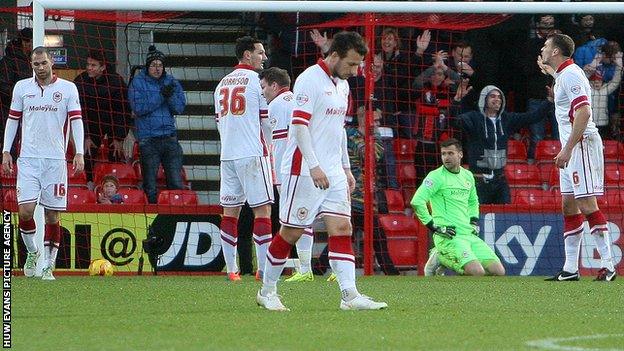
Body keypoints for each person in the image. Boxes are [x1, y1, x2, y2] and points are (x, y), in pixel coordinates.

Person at [257, 31, 387, 311]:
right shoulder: (308, 80)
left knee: (342, 228)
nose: (355, 71)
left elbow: (338, 128)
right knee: (290, 232)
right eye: (351, 64)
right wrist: (314, 165)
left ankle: (349, 296)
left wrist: (346, 167)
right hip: (303, 169)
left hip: (334, 172)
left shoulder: (343, 86)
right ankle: (267, 292)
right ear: (335, 55)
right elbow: (300, 126)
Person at [1, 46, 85, 280]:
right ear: (31, 65)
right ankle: (32, 252)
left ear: (51, 63)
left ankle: (49, 264)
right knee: (25, 211)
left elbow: (76, 121)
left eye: (43, 63)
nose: (40, 68)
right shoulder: (22, 87)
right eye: (36, 64)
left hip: (55, 161)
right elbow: (12, 120)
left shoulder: (68, 89)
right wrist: (6, 150)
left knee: (52, 216)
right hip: (27, 160)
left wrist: (79, 152)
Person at [538, 33, 616, 281]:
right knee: (568, 205)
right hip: (573, 146)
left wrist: (568, 148)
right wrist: (549, 71)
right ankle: (571, 269)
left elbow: (583, 112)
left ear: (555, 52)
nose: (542, 48)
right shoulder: (564, 74)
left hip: (581, 144)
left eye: (546, 46)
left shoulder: (571, 75)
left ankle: (608, 266)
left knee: (586, 204)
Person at [214, 36, 273, 282]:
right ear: (247, 55)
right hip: (252, 154)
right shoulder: (257, 83)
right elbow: (266, 120)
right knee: (263, 211)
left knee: (230, 213)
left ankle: (231, 270)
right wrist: (269, 147)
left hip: (227, 155)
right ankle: (263, 270)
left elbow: (219, 123)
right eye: (260, 53)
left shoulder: (221, 84)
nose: (265, 57)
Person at [411, 138, 505, 277]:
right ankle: (440, 256)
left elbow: (473, 201)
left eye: (450, 153)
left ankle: (442, 255)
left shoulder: (467, 175)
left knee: (498, 271)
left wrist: (473, 221)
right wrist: (433, 226)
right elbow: (417, 201)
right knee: (476, 272)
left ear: (460, 154)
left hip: (468, 234)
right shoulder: (436, 177)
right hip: (448, 235)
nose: (446, 157)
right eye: (443, 154)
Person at [258, 67, 316, 283]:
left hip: (290, 169)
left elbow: (279, 145)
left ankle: (305, 269)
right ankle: (318, 269)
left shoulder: (276, 105)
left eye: (264, 87)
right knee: (308, 216)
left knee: (298, 218)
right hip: (308, 166)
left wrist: (277, 175)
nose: (263, 92)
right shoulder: (296, 102)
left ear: (274, 85)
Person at [451, 85, 553, 204]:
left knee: (506, 213)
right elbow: (454, 121)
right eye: (493, 96)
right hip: (478, 181)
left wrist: (549, 101)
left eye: (499, 97)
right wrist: (457, 101)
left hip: (500, 181)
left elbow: (533, 117)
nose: (497, 99)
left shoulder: (507, 119)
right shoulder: (474, 118)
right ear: (484, 99)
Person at [128, 45, 186, 204]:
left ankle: (176, 213)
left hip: (169, 138)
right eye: (153, 65)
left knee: (175, 181)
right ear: (147, 66)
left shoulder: (171, 82)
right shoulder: (138, 82)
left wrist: (169, 97)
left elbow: (179, 107)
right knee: (150, 184)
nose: (157, 68)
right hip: (148, 140)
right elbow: (139, 108)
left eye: (160, 65)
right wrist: (161, 96)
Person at [74, 49, 132, 184]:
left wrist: (119, 137)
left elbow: (123, 111)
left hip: (113, 123)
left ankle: (113, 186)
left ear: (103, 67)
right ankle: (87, 183)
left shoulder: (116, 82)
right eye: (88, 64)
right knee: (86, 152)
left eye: (93, 65)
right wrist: (86, 136)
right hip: (91, 123)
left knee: (115, 153)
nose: (89, 68)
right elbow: (80, 112)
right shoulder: (80, 81)